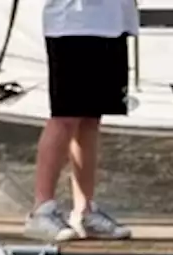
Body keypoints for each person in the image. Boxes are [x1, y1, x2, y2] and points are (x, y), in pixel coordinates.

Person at [23, 0, 136, 242]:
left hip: (111, 23)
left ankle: (85, 211)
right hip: (72, 25)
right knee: (65, 116)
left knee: (90, 119)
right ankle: (41, 209)